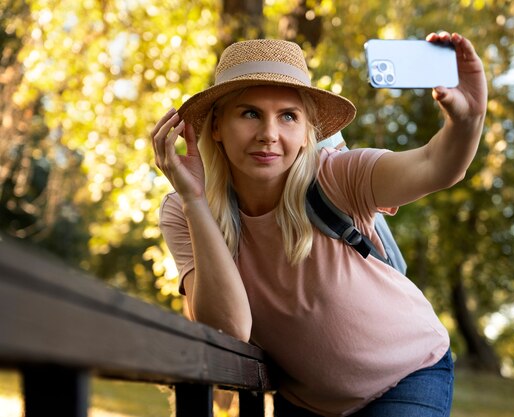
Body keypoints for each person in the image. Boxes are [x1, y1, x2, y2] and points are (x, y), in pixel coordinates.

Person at [151, 32, 487, 417]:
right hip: (307, 402)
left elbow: (435, 165)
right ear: (216, 127)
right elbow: (228, 329)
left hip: (407, 373)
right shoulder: (184, 210)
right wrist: (195, 200)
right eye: (249, 113)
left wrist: (469, 120)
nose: (269, 135)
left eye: (288, 116)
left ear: (307, 130)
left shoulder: (338, 176)